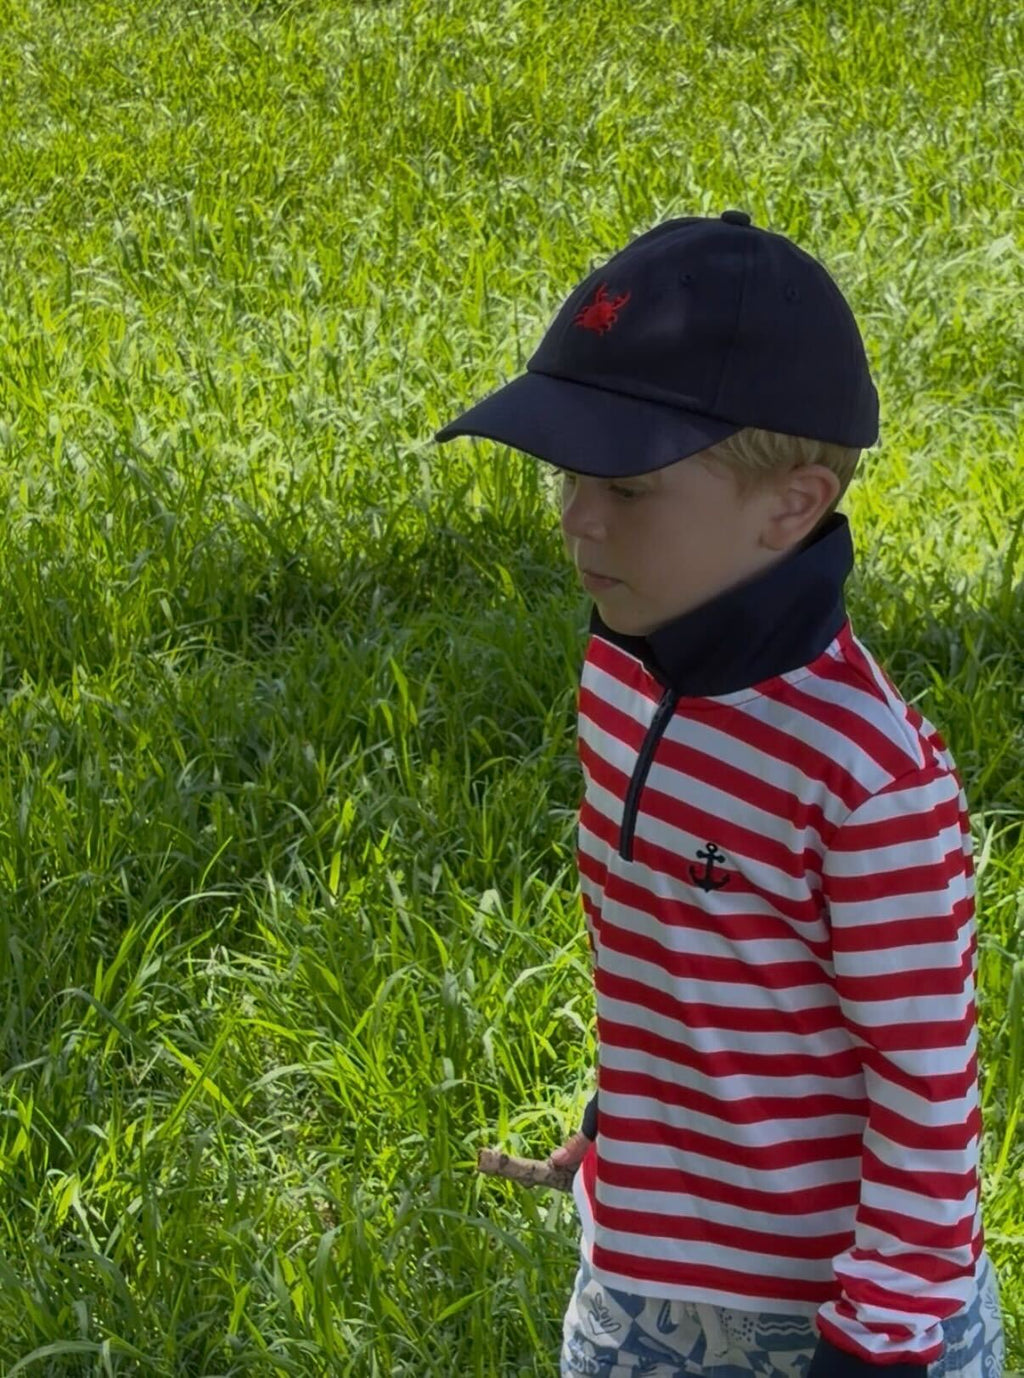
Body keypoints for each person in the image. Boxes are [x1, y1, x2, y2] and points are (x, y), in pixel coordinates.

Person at [433, 211, 1005, 1378]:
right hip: (638, 1280)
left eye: (627, 487)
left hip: (835, 1319)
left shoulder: (865, 778)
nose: (574, 518)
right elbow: (671, 953)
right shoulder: (622, 674)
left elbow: (926, 1103)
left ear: (788, 506)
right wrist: (619, 1122)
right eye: (568, 473)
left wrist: (874, 1349)